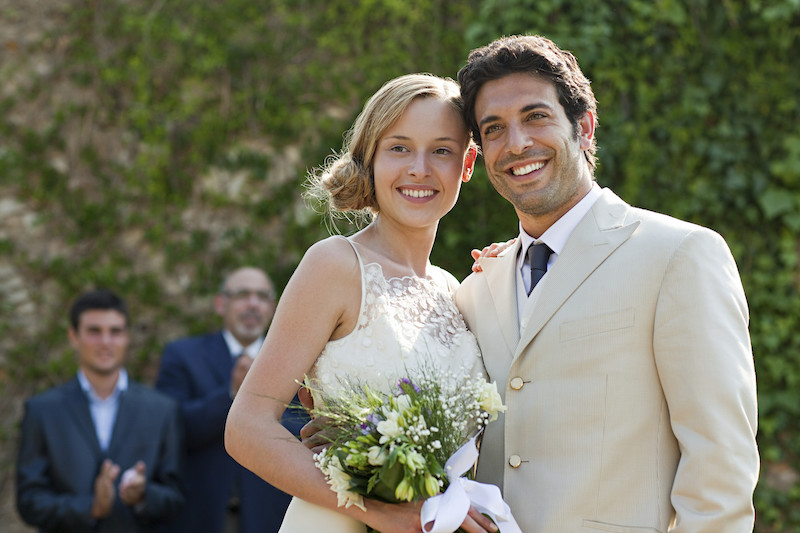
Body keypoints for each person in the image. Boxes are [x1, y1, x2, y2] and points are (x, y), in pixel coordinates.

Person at [454, 34, 759, 532]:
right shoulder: (476, 289)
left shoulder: (678, 255)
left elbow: (720, 464)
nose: (516, 144)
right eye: (494, 129)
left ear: (585, 127)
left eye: (536, 116)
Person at [224, 73, 499, 533]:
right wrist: (382, 513)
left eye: (442, 150)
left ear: (467, 164)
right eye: (399, 148)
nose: (419, 168)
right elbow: (247, 428)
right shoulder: (334, 265)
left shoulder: (455, 291)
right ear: (370, 158)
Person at [16, 289, 183, 533]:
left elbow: (175, 499)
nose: (106, 342)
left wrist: (143, 495)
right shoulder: (42, 410)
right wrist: (90, 507)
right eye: (94, 331)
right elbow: (29, 502)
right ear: (74, 336)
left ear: (127, 337)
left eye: (115, 332)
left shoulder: (162, 409)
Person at [155, 267, 307, 533]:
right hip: (202, 514)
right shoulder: (183, 355)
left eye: (262, 296)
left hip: (272, 513)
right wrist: (232, 394)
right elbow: (172, 429)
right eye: (242, 295)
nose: (252, 304)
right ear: (220, 304)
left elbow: (306, 432)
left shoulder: (300, 361)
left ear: (273, 307)